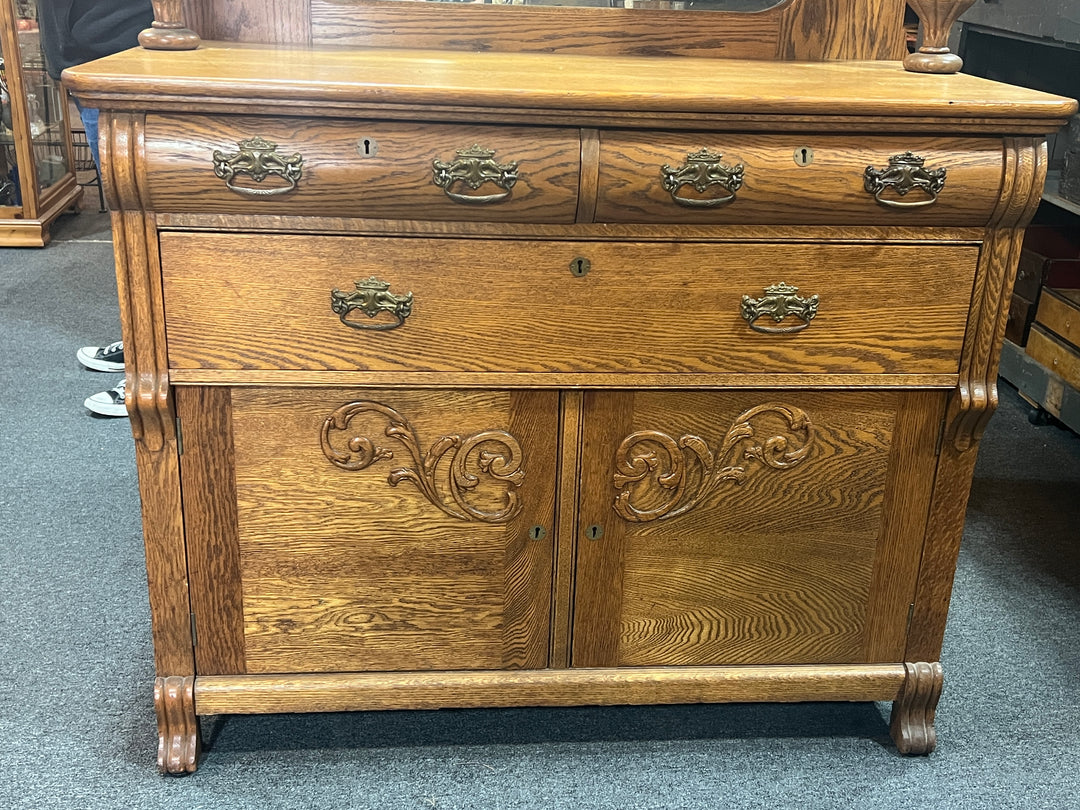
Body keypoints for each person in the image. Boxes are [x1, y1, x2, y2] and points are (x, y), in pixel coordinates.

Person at [38, 0, 154, 417]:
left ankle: (157, 368)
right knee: (130, 228)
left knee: (149, 227)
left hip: (129, 59)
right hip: (86, 62)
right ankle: (145, 343)